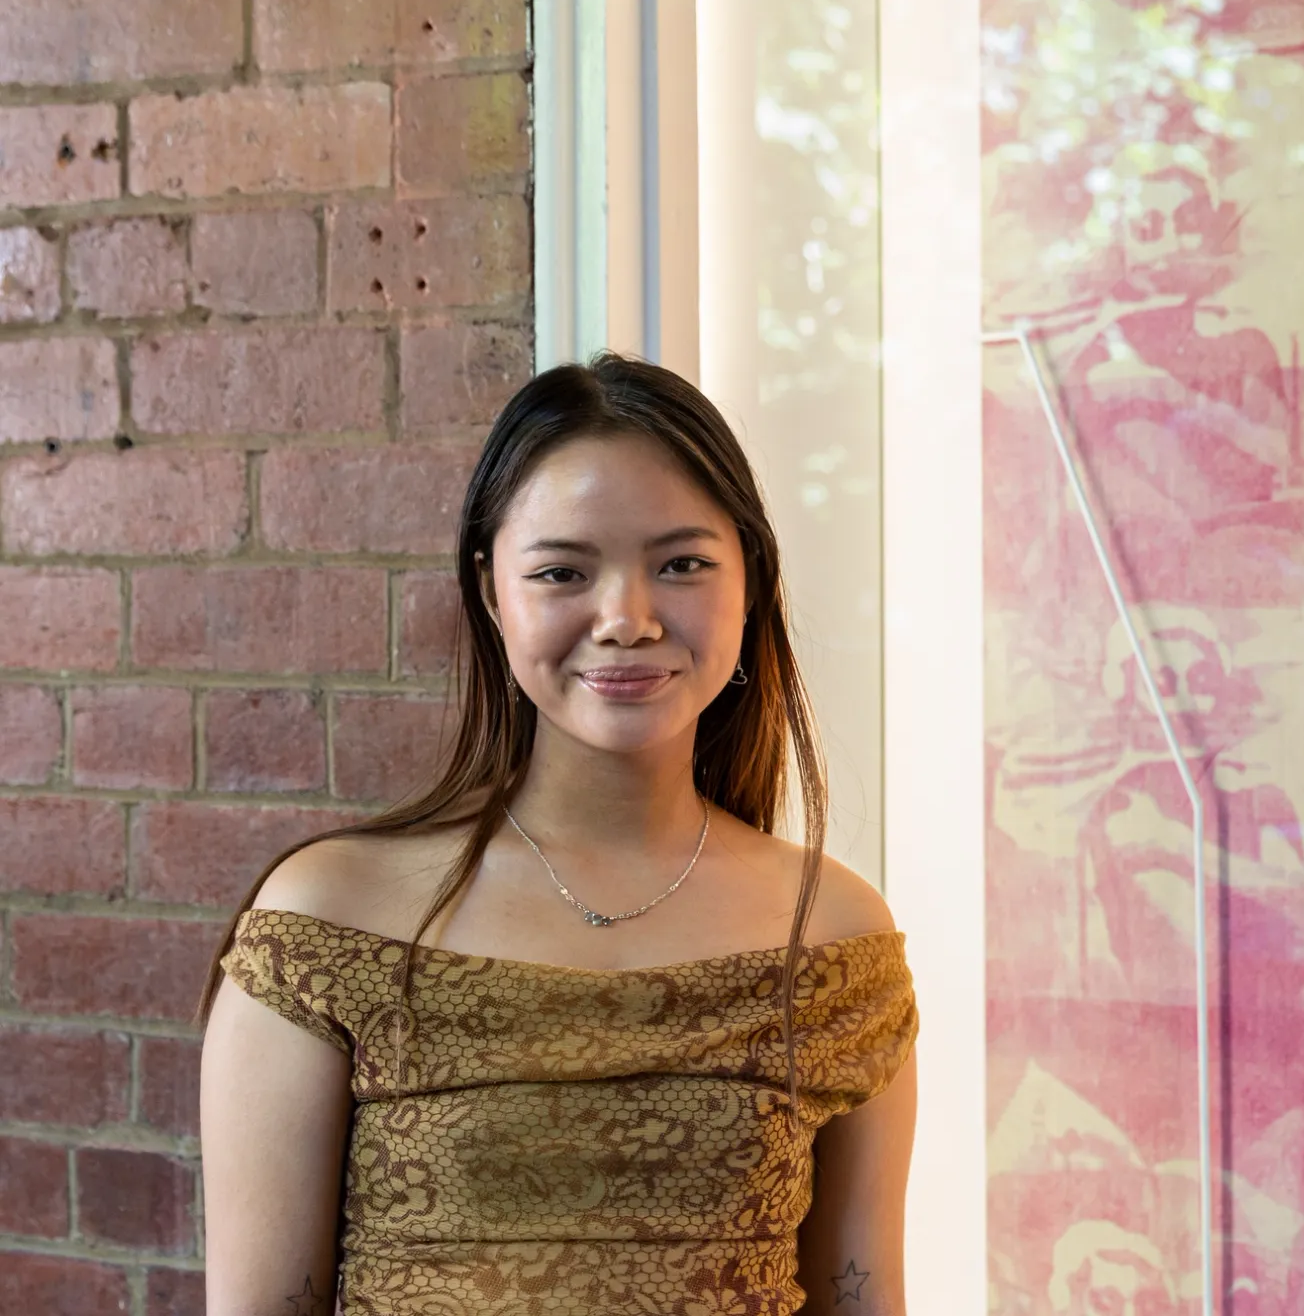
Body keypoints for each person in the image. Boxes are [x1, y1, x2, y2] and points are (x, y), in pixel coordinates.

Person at [195, 354, 919, 1315]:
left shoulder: (835, 937)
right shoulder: (327, 927)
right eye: (562, 571)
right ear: (493, 593)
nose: (626, 618)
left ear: (751, 582)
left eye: (682, 564)